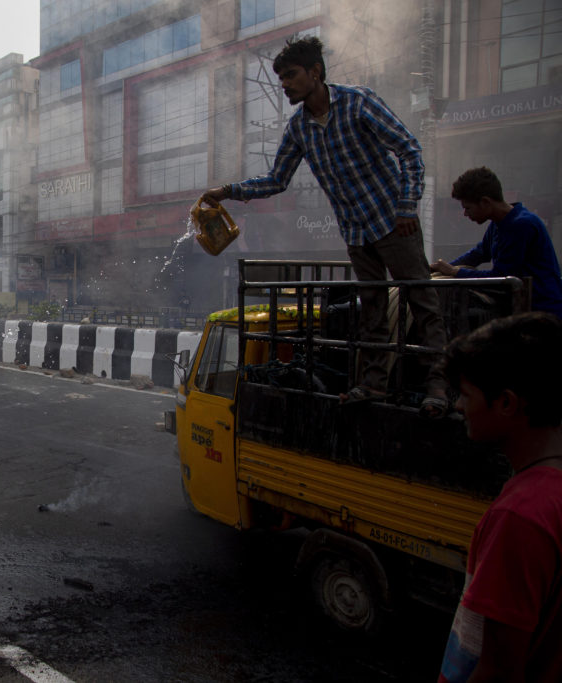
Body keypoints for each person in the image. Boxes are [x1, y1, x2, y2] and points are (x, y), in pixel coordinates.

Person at [200, 36, 449, 417]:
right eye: (280, 77)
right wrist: (228, 191)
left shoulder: (358, 101)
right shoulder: (299, 127)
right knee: (373, 311)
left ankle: (438, 387)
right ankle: (372, 384)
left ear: (315, 73)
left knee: (422, 302)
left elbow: (409, 149)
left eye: (291, 75)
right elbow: (276, 179)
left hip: (393, 223)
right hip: (355, 230)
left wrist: (407, 206)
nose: (284, 83)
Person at [437, 312, 562, 682]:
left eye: (466, 394)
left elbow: (497, 670)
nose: (458, 406)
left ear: (507, 403)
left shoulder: (519, 517)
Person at [431, 167, 562, 318]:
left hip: (543, 313)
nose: (465, 214)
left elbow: (502, 277)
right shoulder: (499, 223)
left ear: (485, 202)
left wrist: (456, 272)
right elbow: (479, 253)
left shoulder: (520, 225)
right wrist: (443, 268)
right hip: (524, 309)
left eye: (468, 208)